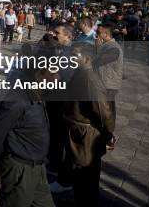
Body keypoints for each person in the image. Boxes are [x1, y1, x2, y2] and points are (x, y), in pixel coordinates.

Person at [0, 61, 56, 207]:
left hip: (38, 167)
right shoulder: (17, 100)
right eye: (51, 74)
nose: (56, 78)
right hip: (20, 170)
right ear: (38, 76)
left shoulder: (39, 93)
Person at [50, 43, 114, 205]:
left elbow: (104, 112)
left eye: (74, 56)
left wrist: (107, 136)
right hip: (75, 130)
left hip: (87, 135)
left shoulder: (91, 79)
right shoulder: (80, 73)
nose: (70, 59)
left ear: (87, 58)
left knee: (86, 179)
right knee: (77, 172)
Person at [95, 24, 124, 150]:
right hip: (103, 84)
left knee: (108, 112)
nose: (96, 35)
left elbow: (100, 60)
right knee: (103, 111)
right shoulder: (106, 46)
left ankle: (109, 138)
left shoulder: (113, 47)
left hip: (109, 85)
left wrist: (97, 47)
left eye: (99, 33)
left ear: (106, 34)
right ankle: (106, 135)